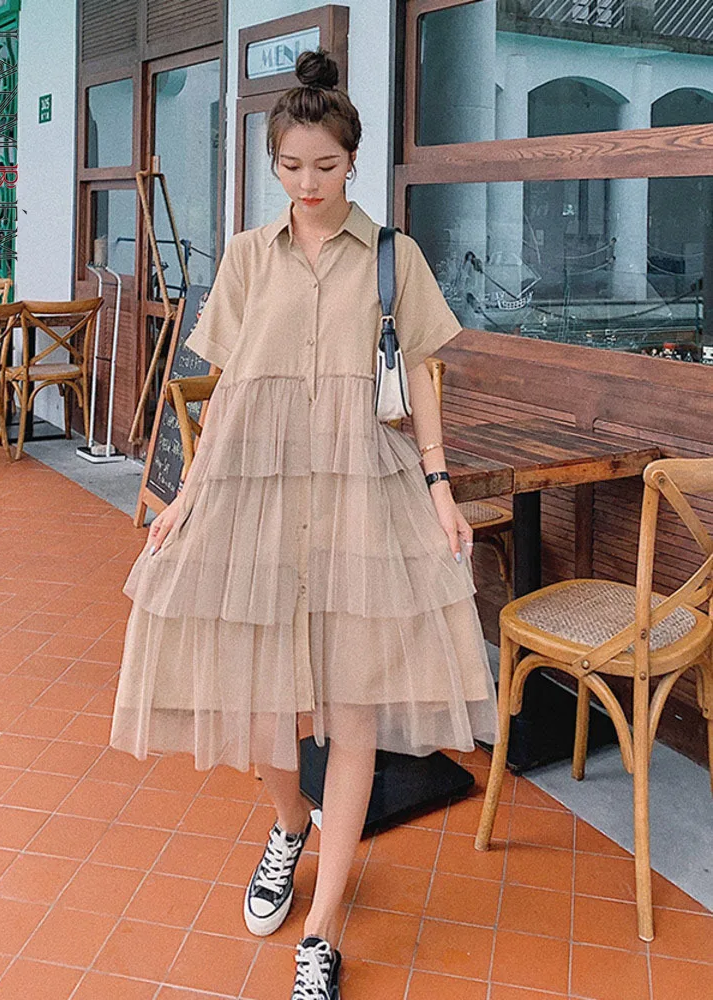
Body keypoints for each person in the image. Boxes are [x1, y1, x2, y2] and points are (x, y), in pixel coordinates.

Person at [110, 48, 498, 1000]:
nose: (308, 184)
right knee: (255, 701)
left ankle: (321, 930)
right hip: (256, 493)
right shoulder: (248, 256)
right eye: (291, 166)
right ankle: (291, 825)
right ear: (273, 162)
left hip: (360, 489)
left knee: (352, 704)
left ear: (352, 160)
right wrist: (183, 500)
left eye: (325, 166)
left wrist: (441, 486)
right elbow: (226, 391)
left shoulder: (394, 257)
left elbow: (425, 377)